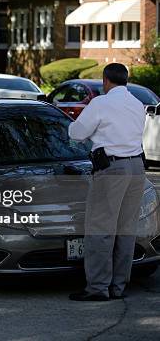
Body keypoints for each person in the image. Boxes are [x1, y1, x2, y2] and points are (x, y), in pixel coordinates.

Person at [68, 63, 146, 301]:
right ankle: (118, 287)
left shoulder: (101, 103)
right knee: (126, 230)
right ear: (125, 80)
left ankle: (98, 288)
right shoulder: (137, 104)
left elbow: (76, 133)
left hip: (112, 169)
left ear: (105, 81)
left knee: (101, 230)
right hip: (137, 168)